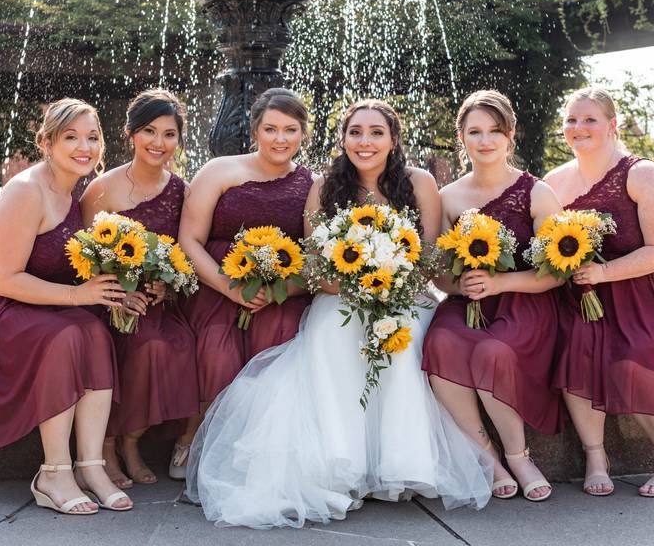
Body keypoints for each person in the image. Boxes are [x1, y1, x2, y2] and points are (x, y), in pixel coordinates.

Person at [186, 99, 494, 529]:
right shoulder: (324, 186)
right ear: (343, 138)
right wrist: (357, 284)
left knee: (405, 343)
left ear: (393, 139)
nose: (364, 142)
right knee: (332, 335)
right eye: (355, 132)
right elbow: (314, 265)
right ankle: (338, 462)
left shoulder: (419, 182)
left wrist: (389, 278)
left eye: (375, 133)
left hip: (404, 296)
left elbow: (426, 259)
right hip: (341, 295)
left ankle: (402, 461)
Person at [0, 99, 132, 514]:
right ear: (46, 142)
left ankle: (91, 466)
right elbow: (6, 279)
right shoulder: (25, 191)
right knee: (65, 335)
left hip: (34, 300)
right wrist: (79, 296)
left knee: (94, 331)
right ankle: (53, 472)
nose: (85, 147)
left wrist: (118, 289)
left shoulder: (79, 187)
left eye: (92, 137)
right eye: (71, 137)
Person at [543, 86, 654, 497]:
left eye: (589, 120)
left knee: (641, 352)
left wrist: (604, 272)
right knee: (573, 349)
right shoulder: (553, 182)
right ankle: (596, 456)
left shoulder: (642, 174)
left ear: (612, 125)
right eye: (571, 120)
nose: (578, 128)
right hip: (587, 294)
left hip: (652, 289)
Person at [422, 90, 564, 502]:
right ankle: (488, 457)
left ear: (510, 136)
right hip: (467, 304)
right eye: (475, 132)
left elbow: (556, 273)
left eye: (495, 132)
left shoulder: (536, 193)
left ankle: (519, 456)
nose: (485, 141)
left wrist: (501, 283)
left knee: (492, 353)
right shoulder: (448, 198)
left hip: (526, 302)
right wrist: (458, 285)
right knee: (440, 343)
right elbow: (437, 271)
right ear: (461, 137)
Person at [176, 88, 315, 478]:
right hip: (215, 284)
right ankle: (197, 434)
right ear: (255, 129)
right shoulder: (220, 171)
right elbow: (189, 239)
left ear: (303, 133)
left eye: (290, 129)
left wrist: (276, 292)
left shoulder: (312, 184)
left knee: (280, 336)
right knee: (217, 351)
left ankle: (260, 448)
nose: (280, 138)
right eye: (270, 128)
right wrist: (228, 287)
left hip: (277, 291)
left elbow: (315, 255)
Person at [80, 89, 199, 488]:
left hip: (158, 303)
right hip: (107, 301)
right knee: (143, 344)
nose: (158, 143)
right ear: (130, 133)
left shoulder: (182, 191)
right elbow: (82, 256)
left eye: (169, 134)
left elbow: (184, 254)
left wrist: (170, 288)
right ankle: (109, 445)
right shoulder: (102, 189)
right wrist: (118, 294)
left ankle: (133, 441)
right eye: (149, 131)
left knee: (183, 344)